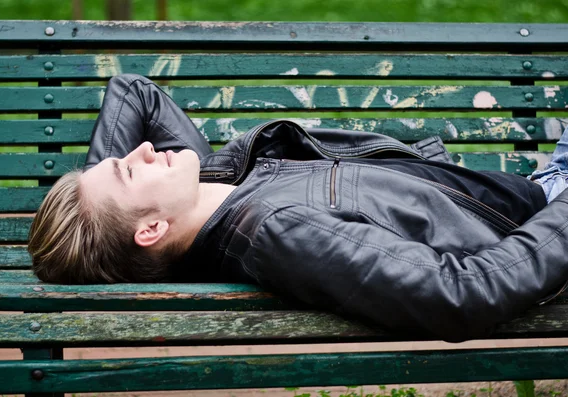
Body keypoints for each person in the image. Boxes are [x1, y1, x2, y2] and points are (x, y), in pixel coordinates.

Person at [28, 74, 568, 342]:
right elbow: (463, 294)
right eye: (128, 169)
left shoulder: (211, 186)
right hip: (548, 211)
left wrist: (102, 210)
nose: (143, 150)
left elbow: (133, 92)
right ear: (151, 229)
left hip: (529, 187)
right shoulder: (280, 235)